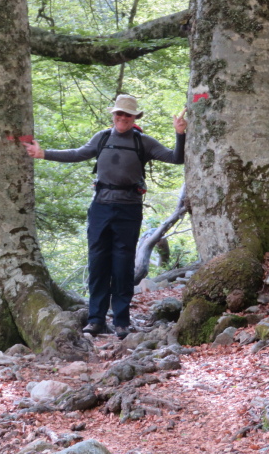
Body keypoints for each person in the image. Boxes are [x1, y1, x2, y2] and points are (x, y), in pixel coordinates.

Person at [24, 94, 187, 339]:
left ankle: (122, 321)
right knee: (98, 263)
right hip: (100, 207)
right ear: (113, 115)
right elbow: (77, 153)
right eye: (118, 114)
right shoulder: (101, 138)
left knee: (122, 265)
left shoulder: (143, 142)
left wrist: (180, 133)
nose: (122, 118)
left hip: (129, 209)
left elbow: (176, 158)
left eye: (127, 115)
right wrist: (43, 153)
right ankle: (96, 320)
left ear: (135, 117)